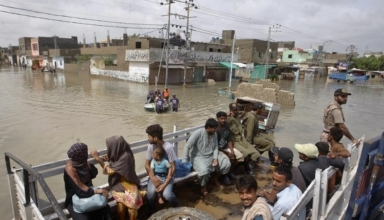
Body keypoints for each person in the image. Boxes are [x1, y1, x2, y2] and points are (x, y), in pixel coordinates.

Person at [91, 136, 143, 220]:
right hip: (118, 184)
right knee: (120, 207)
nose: (109, 148)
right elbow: (115, 161)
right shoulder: (121, 152)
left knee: (132, 207)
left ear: (116, 147)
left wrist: (98, 159)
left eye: (110, 147)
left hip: (129, 183)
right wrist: (109, 158)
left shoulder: (126, 156)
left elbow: (110, 171)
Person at [182, 118, 231, 195]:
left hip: (211, 155)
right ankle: (203, 185)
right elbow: (187, 146)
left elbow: (215, 147)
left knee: (226, 164)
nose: (216, 130)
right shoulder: (198, 133)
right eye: (214, 128)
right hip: (198, 157)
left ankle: (214, 178)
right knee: (204, 171)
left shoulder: (214, 134)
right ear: (208, 128)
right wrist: (185, 161)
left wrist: (215, 158)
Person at [64, 143, 110, 220]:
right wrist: (100, 191)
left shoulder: (83, 164)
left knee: (106, 210)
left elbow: (94, 173)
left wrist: (93, 160)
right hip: (74, 199)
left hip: (89, 194)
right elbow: (80, 192)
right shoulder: (70, 170)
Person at [145, 124, 179, 211]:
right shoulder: (150, 147)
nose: (147, 138)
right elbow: (147, 165)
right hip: (155, 175)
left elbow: (173, 167)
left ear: (155, 138)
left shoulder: (169, 148)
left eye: (149, 136)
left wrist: (164, 184)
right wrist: (153, 178)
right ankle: (153, 210)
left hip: (167, 176)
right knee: (151, 194)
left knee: (167, 195)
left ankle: (178, 206)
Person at [227, 103, 260, 174]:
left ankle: (245, 166)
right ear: (230, 110)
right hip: (234, 141)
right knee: (246, 153)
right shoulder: (227, 119)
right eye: (234, 110)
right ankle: (245, 168)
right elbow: (217, 121)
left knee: (255, 153)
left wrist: (243, 113)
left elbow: (242, 113)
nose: (236, 111)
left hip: (242, 139)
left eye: (236, 109)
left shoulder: (238, 116)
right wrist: (227, 116)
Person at [216, 111, 244, 184]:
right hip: (218, 150)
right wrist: (227, 153)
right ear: (218, 119)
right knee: (227, 160)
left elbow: (229, 140)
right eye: (221, 119)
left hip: (225, 148)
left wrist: (232, 151)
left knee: (240, 156)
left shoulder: (227, 128)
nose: (223, 120)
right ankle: (224, 176)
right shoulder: (216, 129)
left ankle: (229, 172)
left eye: (225, 118)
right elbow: (215, 146)